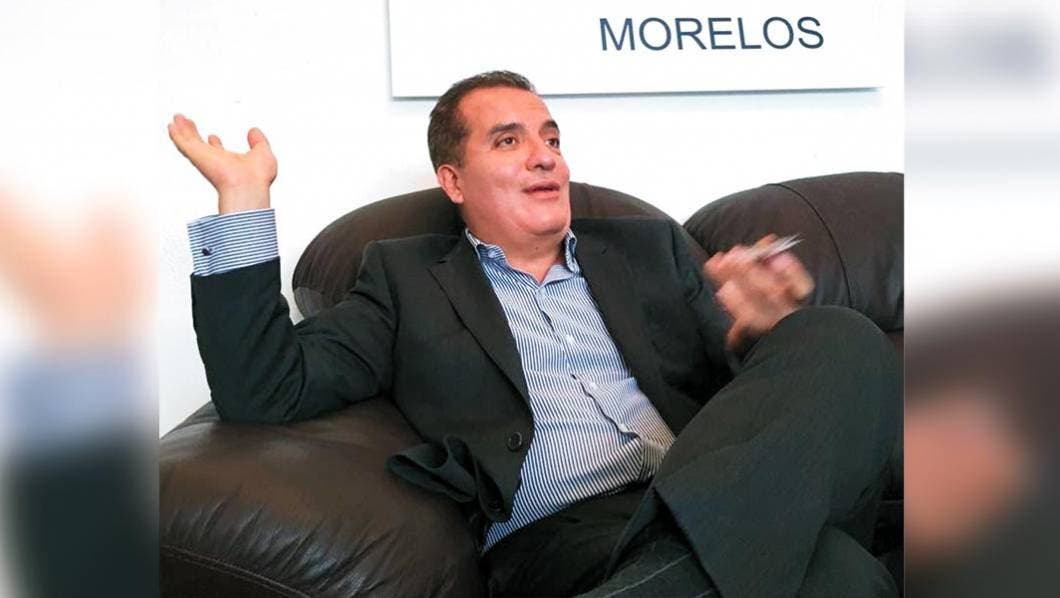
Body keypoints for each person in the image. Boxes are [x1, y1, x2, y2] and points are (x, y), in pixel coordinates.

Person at [168, 71, 898, 597]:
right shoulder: (404, 280)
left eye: (550, 137)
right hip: (564, 534)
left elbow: (757, 412)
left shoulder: (652, 252)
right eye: (508, 140)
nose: (545, 154)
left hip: (699, 480)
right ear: (454, 181)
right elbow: (266, 388)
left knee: (836, 332)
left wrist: (762, 332)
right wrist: (243, 202)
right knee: (838, 573)